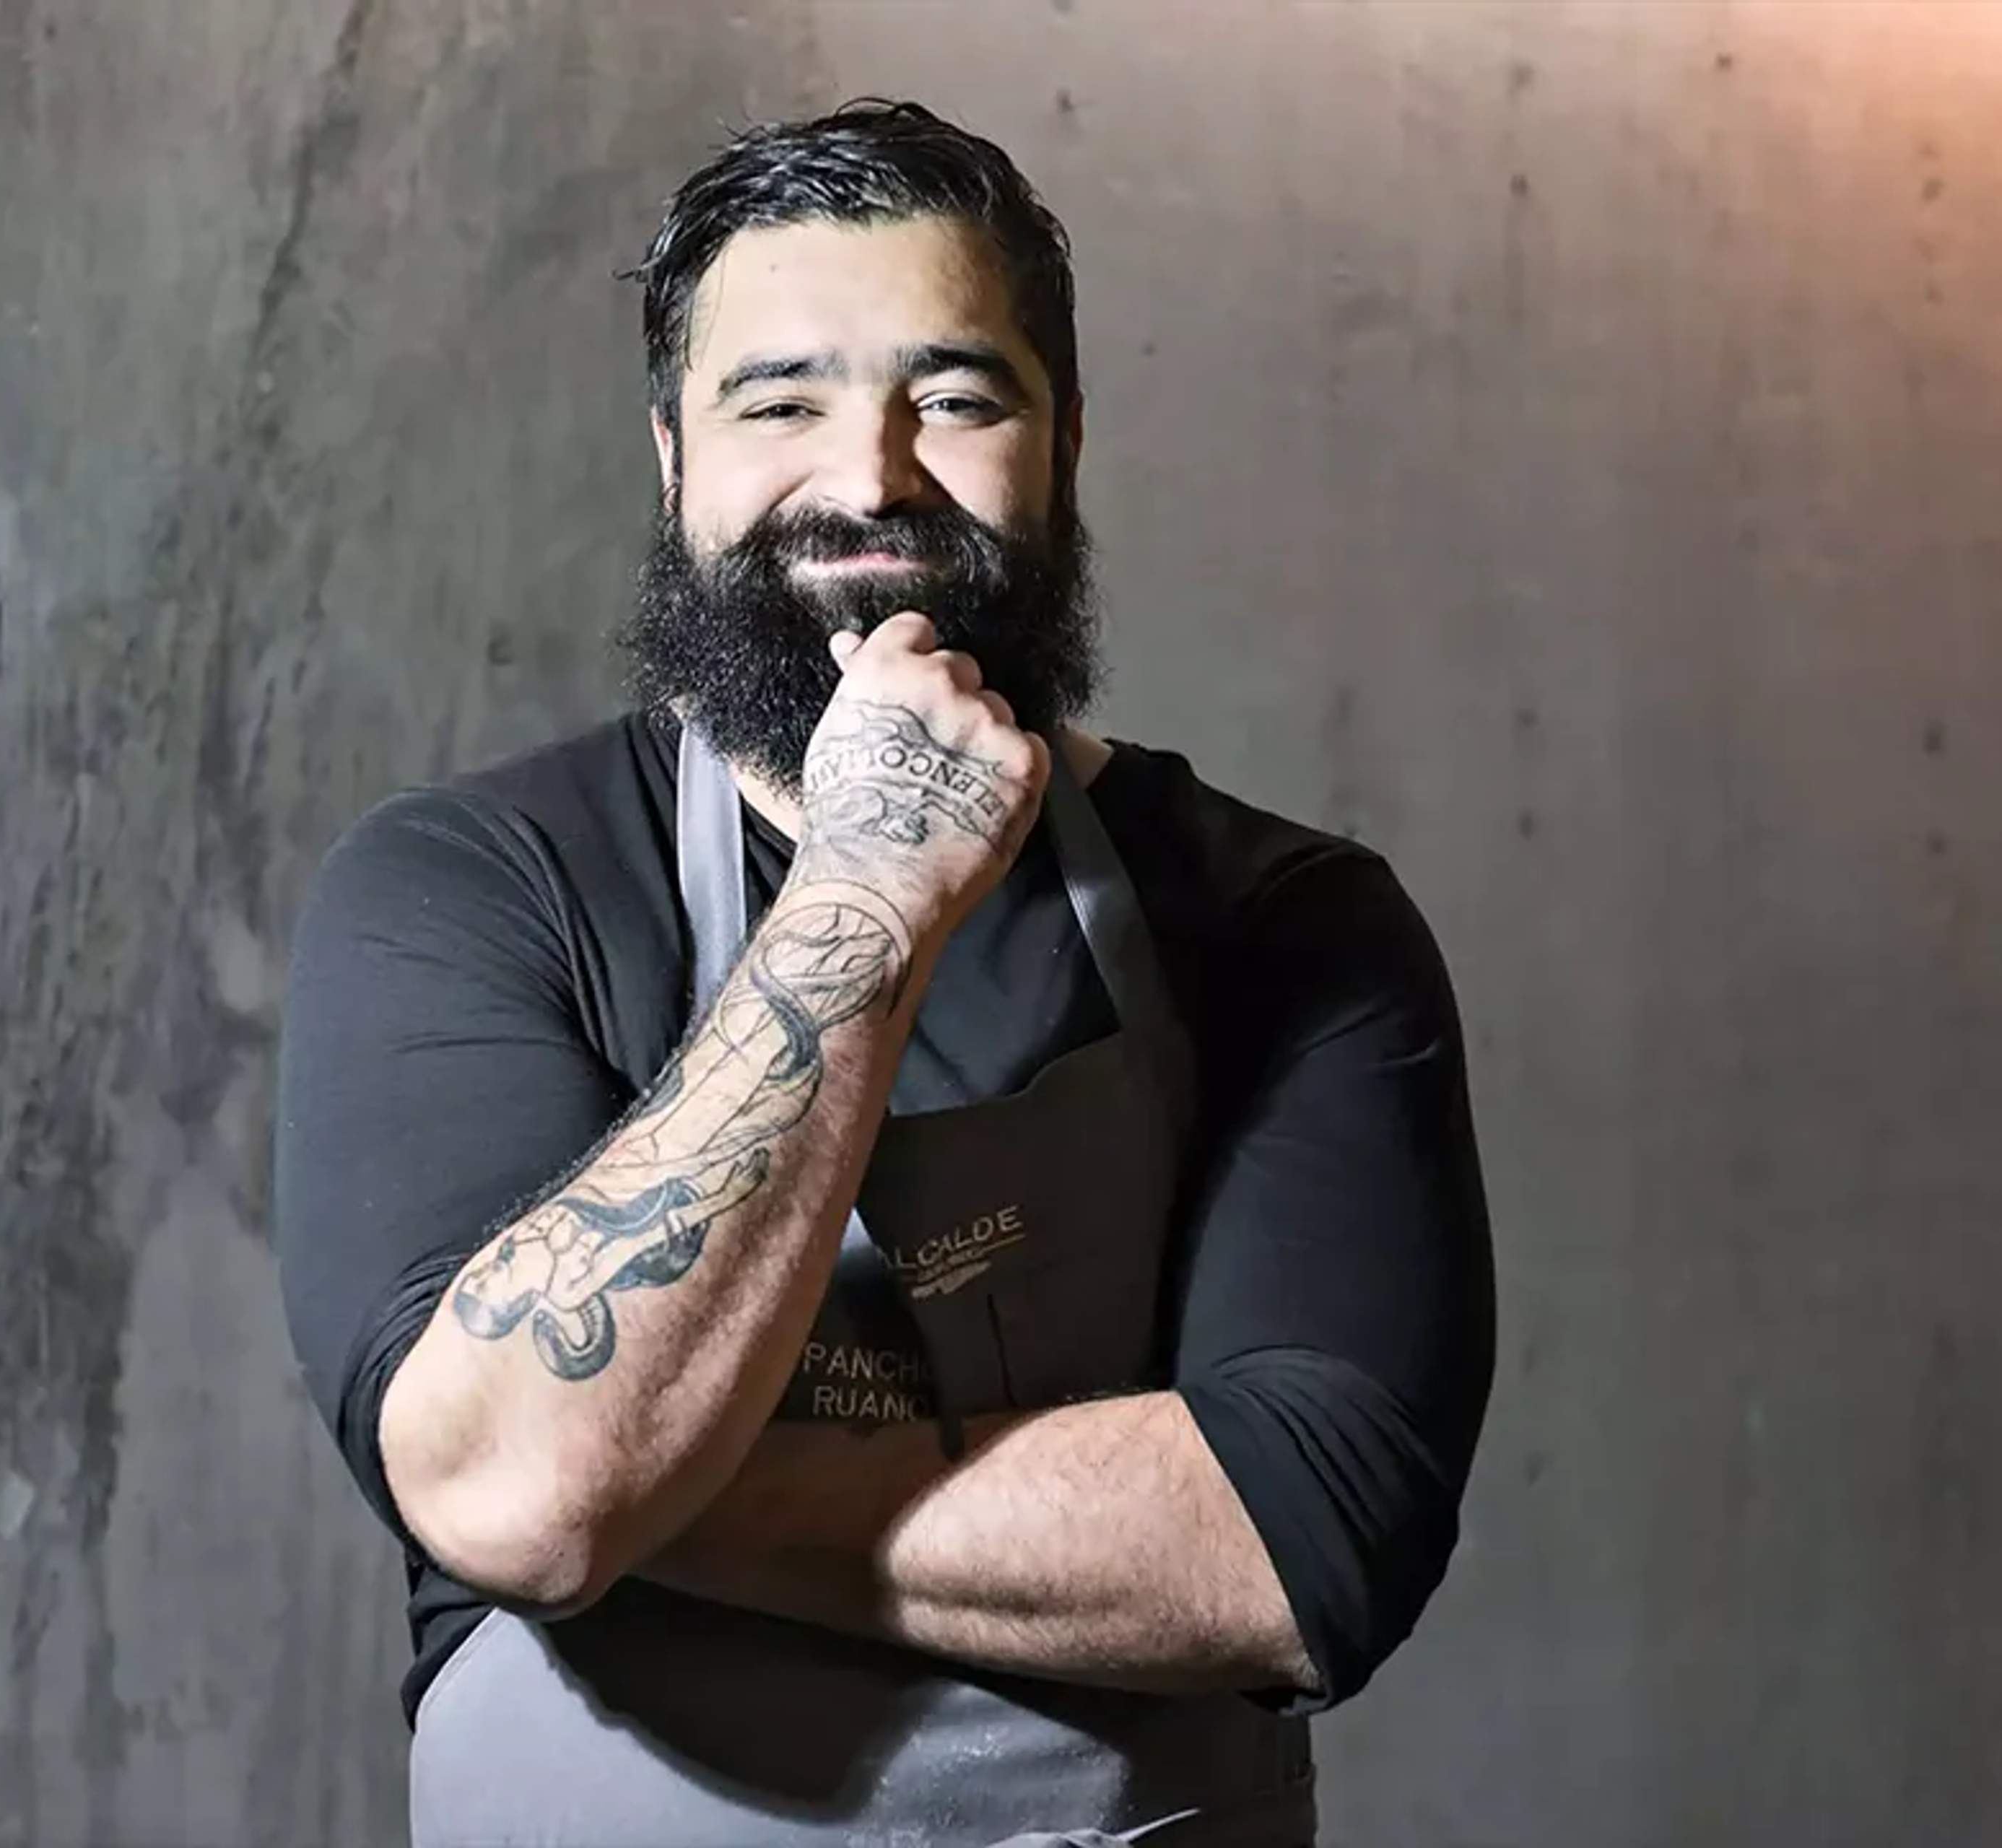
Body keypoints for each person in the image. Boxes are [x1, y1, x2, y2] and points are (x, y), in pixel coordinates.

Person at [274, 98, 1496, 1847]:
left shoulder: (1290, 921)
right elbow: (523, 1489)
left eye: (957, 398)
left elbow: (1302, 1540)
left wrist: (639, 1476)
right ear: (670, 456)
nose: (869, 478)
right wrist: (872, 880)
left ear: (1063, 438)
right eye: (779, 403)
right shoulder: (469, 889)